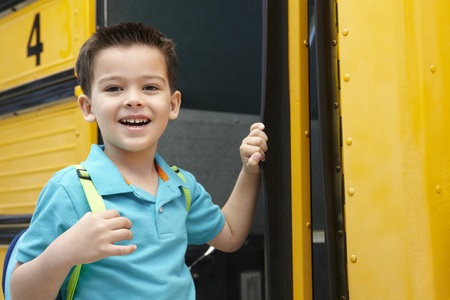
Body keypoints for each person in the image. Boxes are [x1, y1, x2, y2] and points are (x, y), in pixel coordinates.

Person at [9, 22, 268, 299]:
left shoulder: (181, 188)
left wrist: (250, 170)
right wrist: (65, 252)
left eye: (150, 87)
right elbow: (22, 294)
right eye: (114, 89)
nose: (133, 99)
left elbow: (229, 235)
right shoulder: (71, 190)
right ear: (88, 107)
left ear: (173, 104)